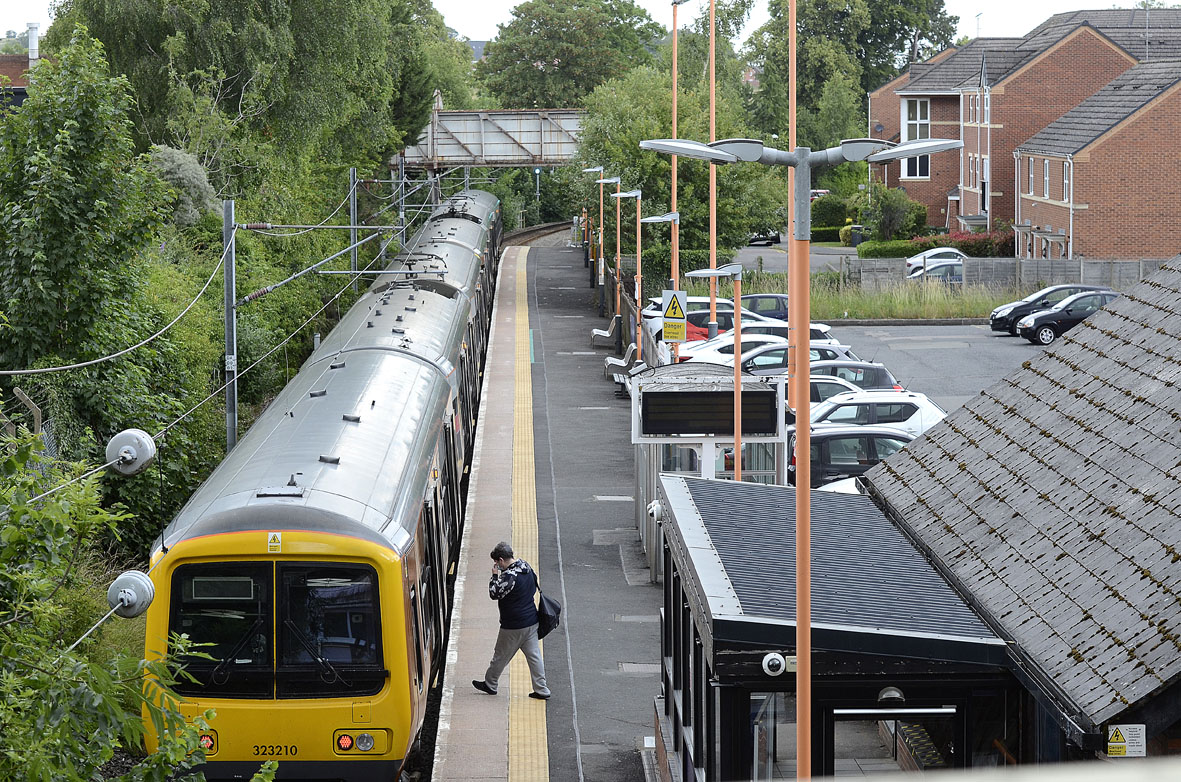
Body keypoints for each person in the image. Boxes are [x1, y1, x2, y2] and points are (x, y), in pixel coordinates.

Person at [472, 541, 551, 700]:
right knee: (534, 657)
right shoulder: (525, 566)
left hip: (513, 625)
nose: (496, 565)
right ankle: (542, 689)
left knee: (500, 655)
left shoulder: (509, 576)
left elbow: (494, 593)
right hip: (531, 621)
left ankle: (490, 684)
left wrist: (494, 576)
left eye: (496, 562)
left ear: (501, 560)